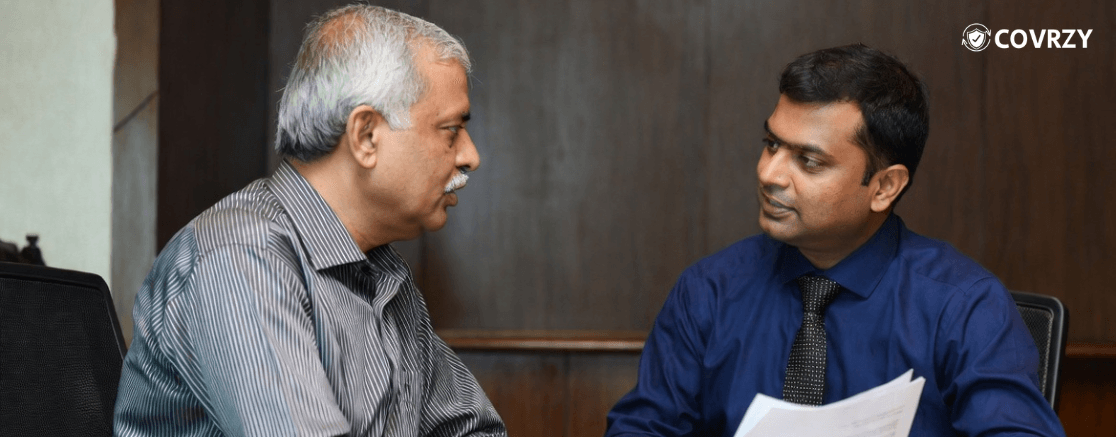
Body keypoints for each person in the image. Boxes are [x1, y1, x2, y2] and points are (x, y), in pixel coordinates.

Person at [604, 44, 1065, 437]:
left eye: (808, 161)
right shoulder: (710, 290)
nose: (769, 174)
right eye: (771, 144)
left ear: (884, 186)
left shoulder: (964, 306)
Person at [113, 5, 506, 436]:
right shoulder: (239, 258)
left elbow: (474, 430)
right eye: (451, 130)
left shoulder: (385, 274)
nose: (470, 157)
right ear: (366, 136)